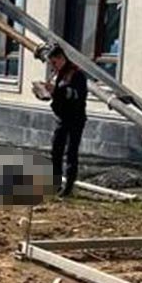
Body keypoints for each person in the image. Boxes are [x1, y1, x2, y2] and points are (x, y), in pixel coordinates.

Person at [43, 45, 87, 197]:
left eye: (54, 62)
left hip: (75, 118)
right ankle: (55, 183)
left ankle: (68, 187)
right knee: (56, 150)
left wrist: (56, 91)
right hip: (62, 118)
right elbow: (58, 94)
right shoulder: (58, 74)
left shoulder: (76, 74)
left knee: (71, 152)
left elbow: (75, 95)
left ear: (62, 58)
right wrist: (43, 92)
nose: (53, 66)